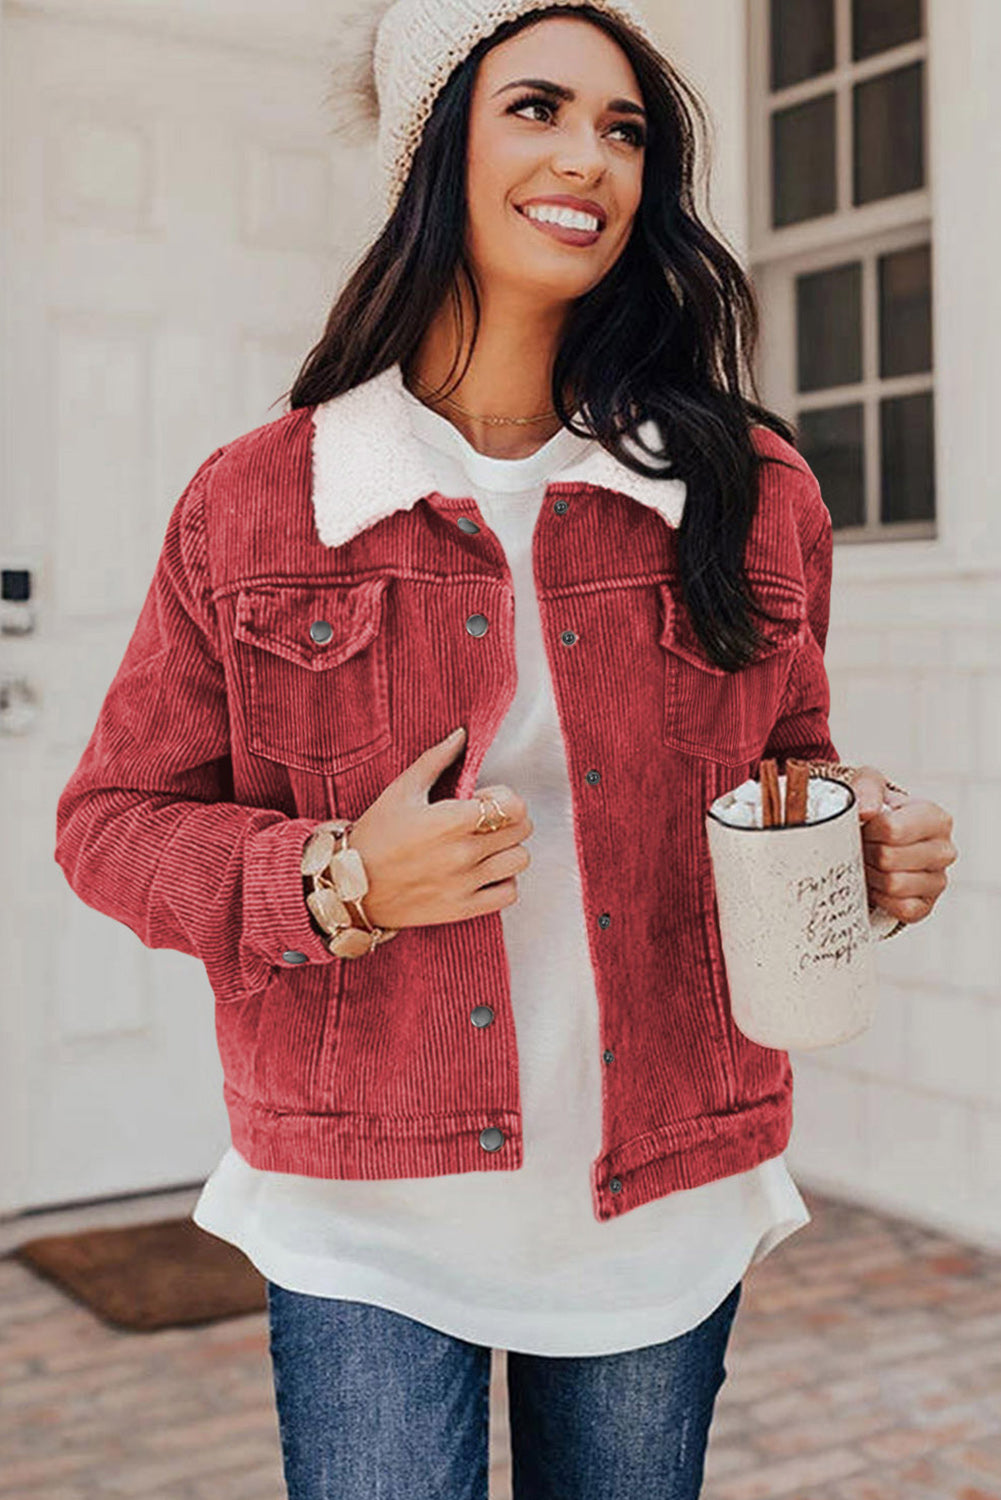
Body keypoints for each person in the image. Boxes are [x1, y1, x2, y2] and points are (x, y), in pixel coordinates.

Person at [54, 1, 957, 1495]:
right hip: (360, 1200)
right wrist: (336, 878)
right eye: (536, 108)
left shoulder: (749, 486)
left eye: (625, 130)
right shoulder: (262, 500)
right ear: (433, 151)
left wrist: (855, 830)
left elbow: (788, 751)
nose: (589, 159)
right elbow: (110, 822)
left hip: (662, 1185)